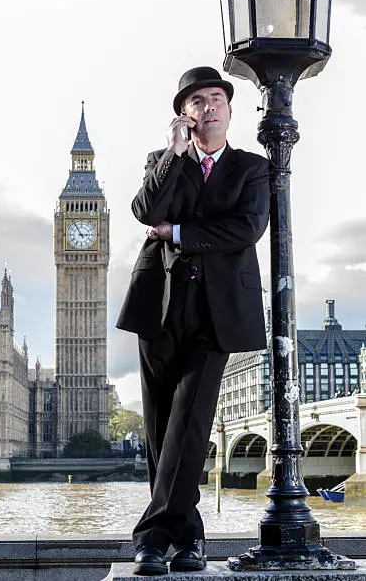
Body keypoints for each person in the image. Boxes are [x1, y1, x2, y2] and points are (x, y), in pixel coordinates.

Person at [116, 66, 270, 575]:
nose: (208, 107)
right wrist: (174, 155)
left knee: (190, 418)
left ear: (229, 108)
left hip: (216, 310)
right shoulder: (164, 162)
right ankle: (188, 541)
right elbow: (144, 209)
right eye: (197, 101)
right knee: (161, 429)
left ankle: (152, 537)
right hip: (157, 303)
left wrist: (178, 231)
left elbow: (246, 228)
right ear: (183, 115)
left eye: (215, 99)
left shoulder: (252, 167)